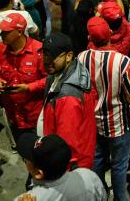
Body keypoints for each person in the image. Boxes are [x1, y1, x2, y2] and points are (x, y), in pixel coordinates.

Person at [76, 17, 130, 201]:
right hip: (118, 124)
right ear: (110, 33)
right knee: (119, 165)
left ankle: (100, 194)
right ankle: (120, 198)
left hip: (92, 122)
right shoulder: (123, 62)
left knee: (97, 161)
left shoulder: (81, 57)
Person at [36, 33, 96, 169]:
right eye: (44, 54)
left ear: (68, 56)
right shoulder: (66, 70)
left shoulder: (68, 96)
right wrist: (28, 87)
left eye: (53, 56)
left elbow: (67, 145)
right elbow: (49, 82)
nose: (46, 60)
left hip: (68, 166)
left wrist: (62, 172)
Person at [0, 13, 47, 143]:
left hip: (35, 117)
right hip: (12, 115)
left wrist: (28, 88)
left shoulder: (39, 51)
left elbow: (50, 80)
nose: (1, 34)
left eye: (6, 32)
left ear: (20, 31)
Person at [16, 133, 106, 201]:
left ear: (38, 173)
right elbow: (102, 196)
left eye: (25, 159)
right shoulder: (87, 175)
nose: (25, 160)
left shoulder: (32, 198)